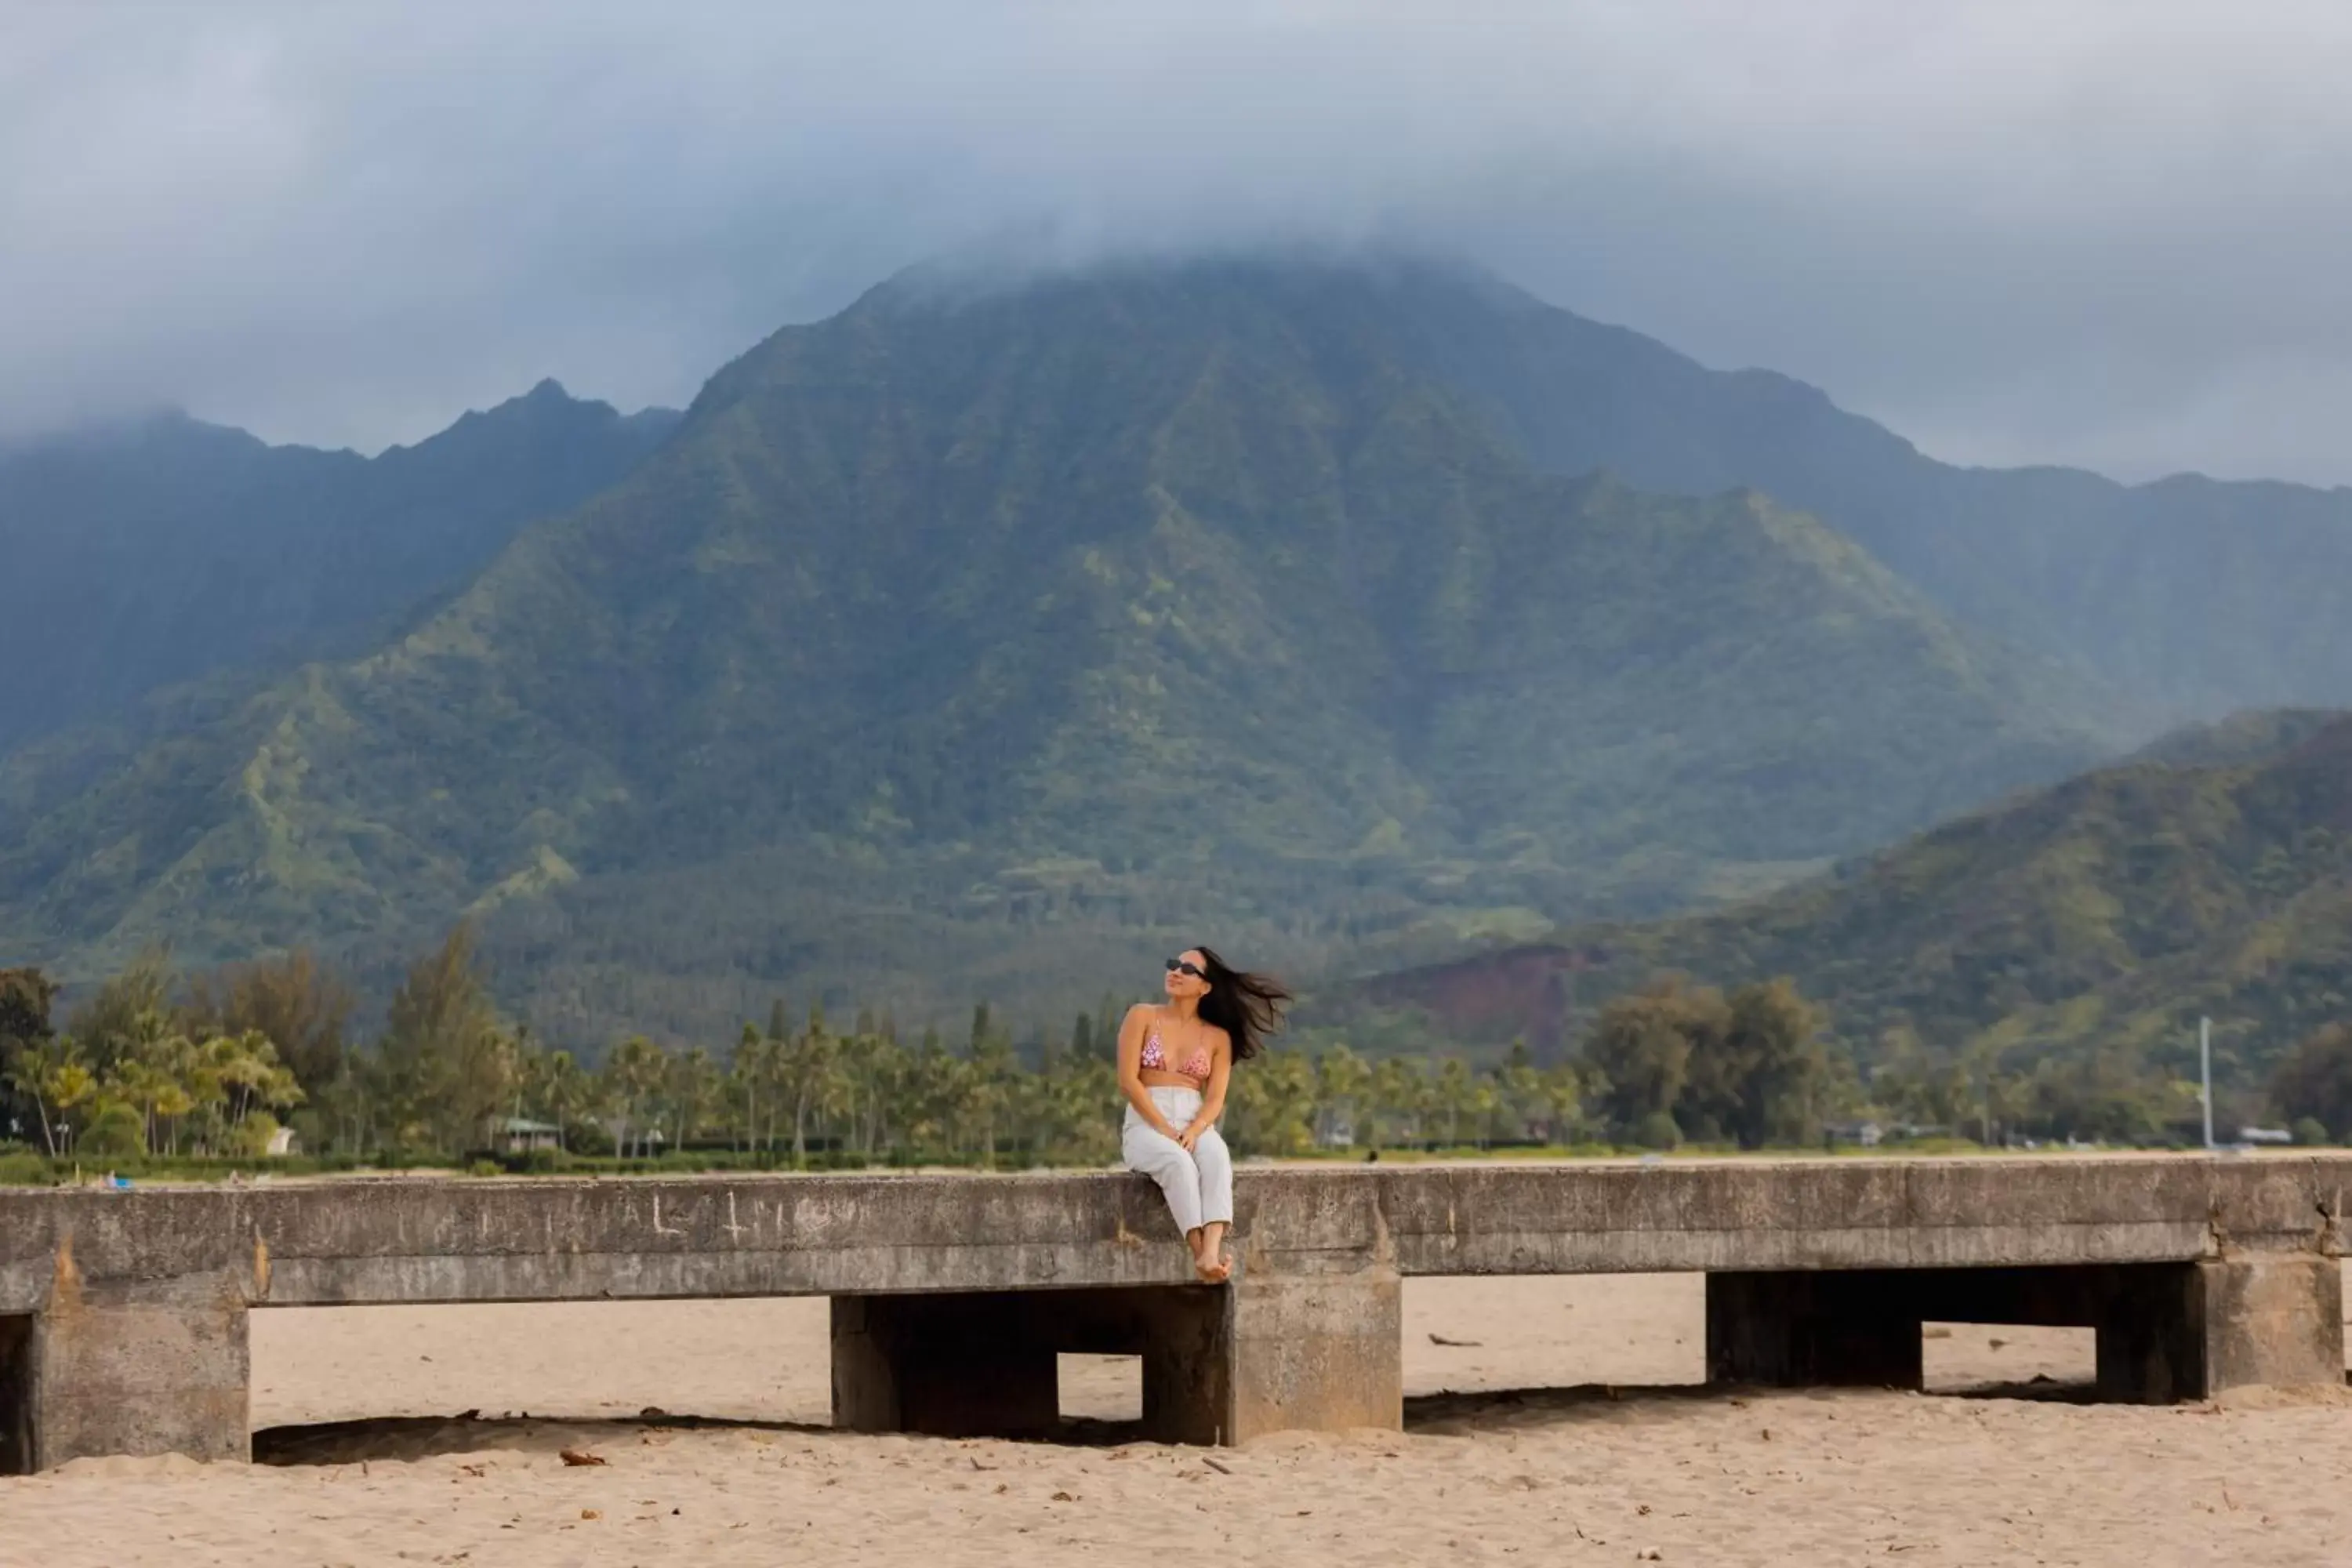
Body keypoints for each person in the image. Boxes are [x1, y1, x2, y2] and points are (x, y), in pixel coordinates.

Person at [1117, 946, 1291, 1283]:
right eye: (1173, 965)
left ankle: (1212, 1250)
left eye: (1187, 969)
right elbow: (1127, 1081)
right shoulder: (1142, 1015)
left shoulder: (1218, 1037)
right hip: (1145, 1124)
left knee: (1216, 1157)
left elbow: (1214, 1099)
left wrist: (1195, 1130)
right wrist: (1163, 1127)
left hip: (1193, 1120)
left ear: (1206, 987)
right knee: (1178, 1164)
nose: (1175, 972)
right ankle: (1202, 1258)